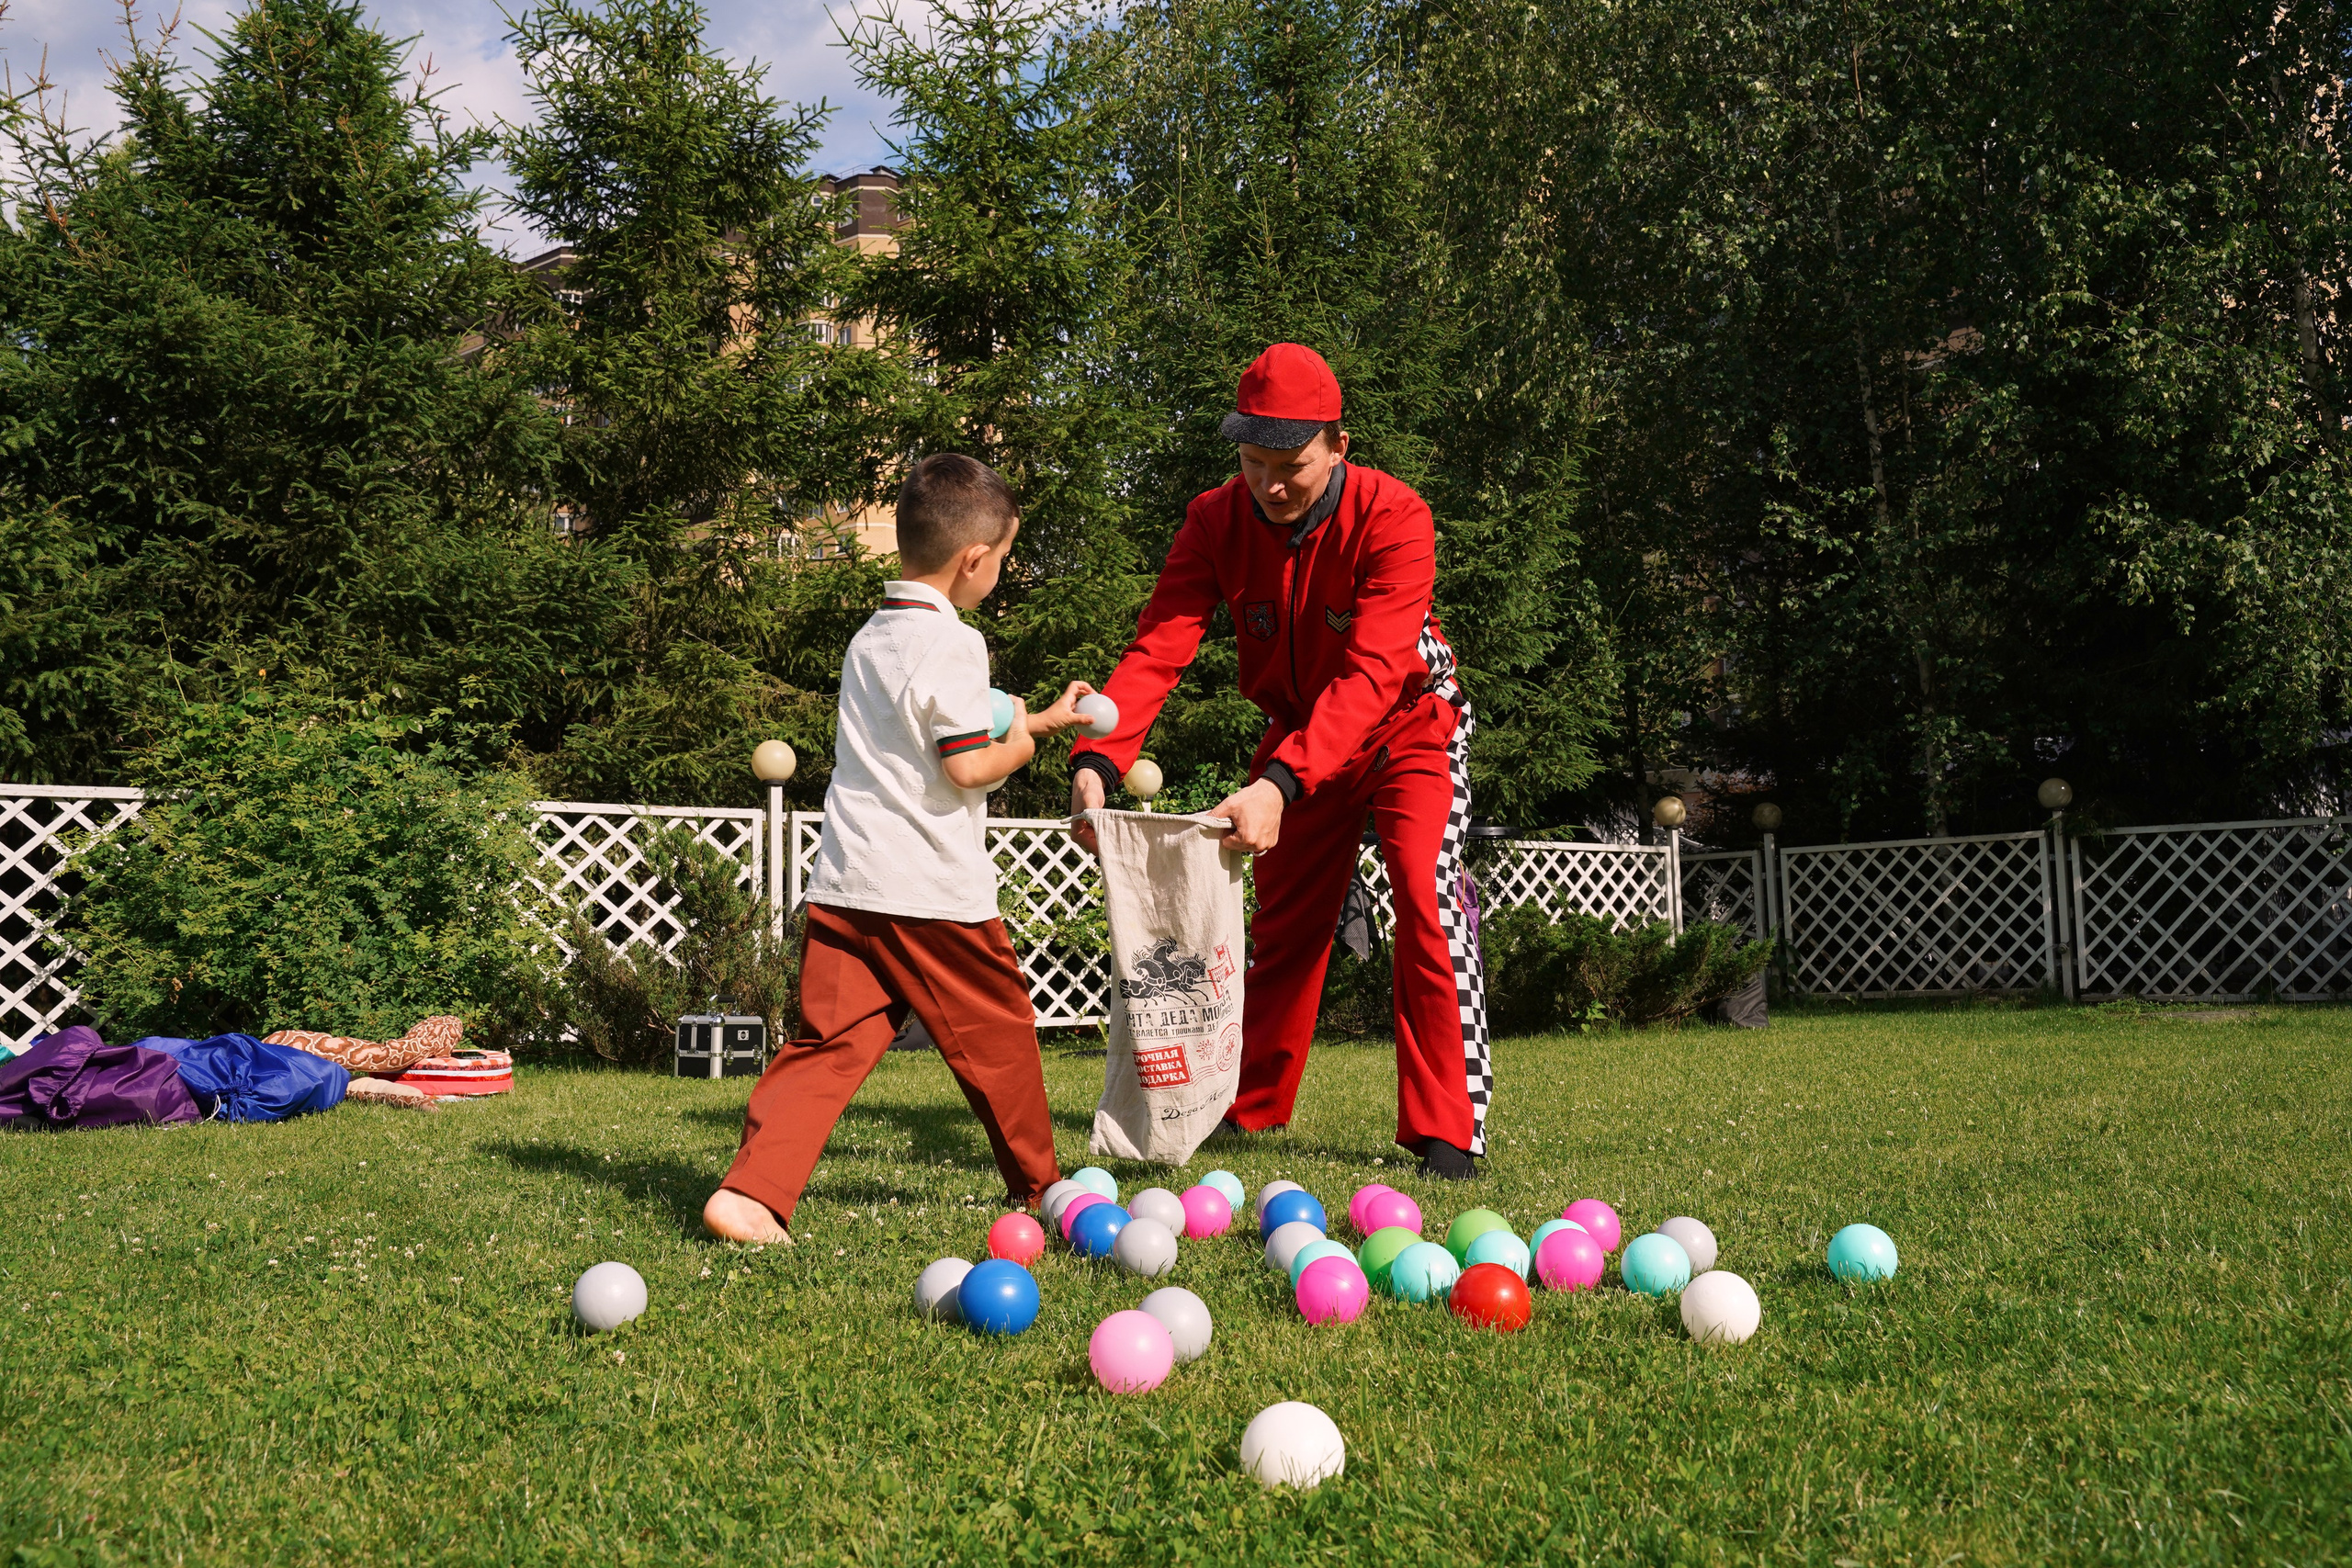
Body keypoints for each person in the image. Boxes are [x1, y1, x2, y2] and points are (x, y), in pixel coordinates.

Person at [1069, 343, 1491, 1179]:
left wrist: (1277, 784)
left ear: (1338, 446)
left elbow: (1374, 672)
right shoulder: (1213, 521)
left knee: (1424, 892)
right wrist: (1099, 761)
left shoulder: (1396, 515)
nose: (1269, 485)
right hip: (1299, 737)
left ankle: (1448, 1128)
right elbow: (1159, 645)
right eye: (1253, 463)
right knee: (1284, 928)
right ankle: (1250, 1105)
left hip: (1409, 724)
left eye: (1291, 465)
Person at [705, 454, 1095, 1243]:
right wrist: (1023, 748)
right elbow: (965, 764)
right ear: (974, 559)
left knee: (830, 1043)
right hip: (930, 889)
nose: (1000, 572)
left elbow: (926, 726)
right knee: (1000, 1036)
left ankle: (749, 1192)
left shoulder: (873, 637)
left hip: (850, 881)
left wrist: (1037, 718)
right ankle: (1042, 1188)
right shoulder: (957, 643)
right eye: (1004, 557)